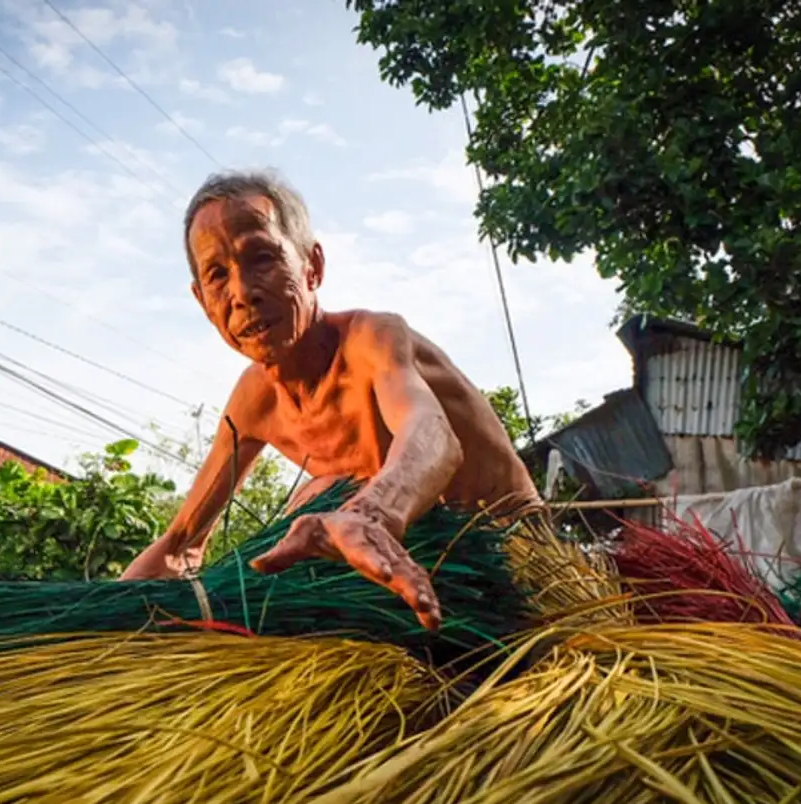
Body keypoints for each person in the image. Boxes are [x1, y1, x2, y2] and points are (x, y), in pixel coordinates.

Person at [119, 169, 544, 631]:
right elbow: (182, 543)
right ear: (203, 301)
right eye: (218, 275)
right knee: (307, 516)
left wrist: (370, 514)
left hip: (516, 562)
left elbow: (433, 435)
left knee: (323, 503)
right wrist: (96, 616)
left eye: (262, 258)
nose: (243, 293)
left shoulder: (373, 341)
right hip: (412, 571)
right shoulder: (253, 401)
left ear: (312, 267)